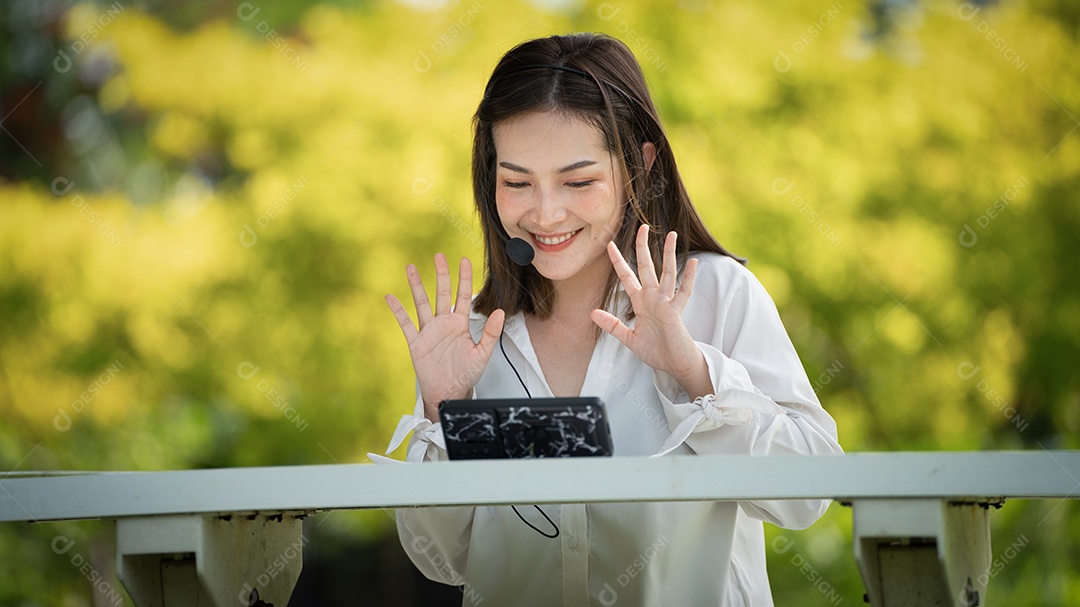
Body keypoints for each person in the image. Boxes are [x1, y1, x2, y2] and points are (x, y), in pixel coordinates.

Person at [379, 32, 843, 606]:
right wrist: (440, 415)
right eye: (517, 182)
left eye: (578, 181)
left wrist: (694, 374)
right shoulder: (472, 340)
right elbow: (441, 559)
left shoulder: (715, 295)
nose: (545, 213)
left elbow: (807, 496)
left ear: (638, 166)